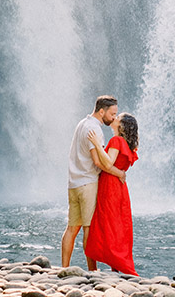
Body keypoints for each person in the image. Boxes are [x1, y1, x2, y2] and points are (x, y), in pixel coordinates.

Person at [62, 95, 124, 270]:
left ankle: (64, 268)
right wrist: (118, 172)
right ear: (102, 111)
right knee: (89, 229)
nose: (114, 118)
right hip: (87, 183)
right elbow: (98, 162)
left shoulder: (82, 123)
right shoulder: (94, 129)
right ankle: (92, 271)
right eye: (112, 114)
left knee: (71, 229)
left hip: (73, 183)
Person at [84, 112, 139, 276]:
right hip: (120, 189)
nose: (114, 119)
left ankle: (111, 263)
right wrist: (120, 173)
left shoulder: (116, 140)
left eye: (117, 118)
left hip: (109, 186)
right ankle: (116, 265)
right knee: (117, 226)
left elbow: (107, 163)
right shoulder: (127, 143)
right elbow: (117, 165)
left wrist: (96, 144)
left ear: (121, 126)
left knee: (106, 224)